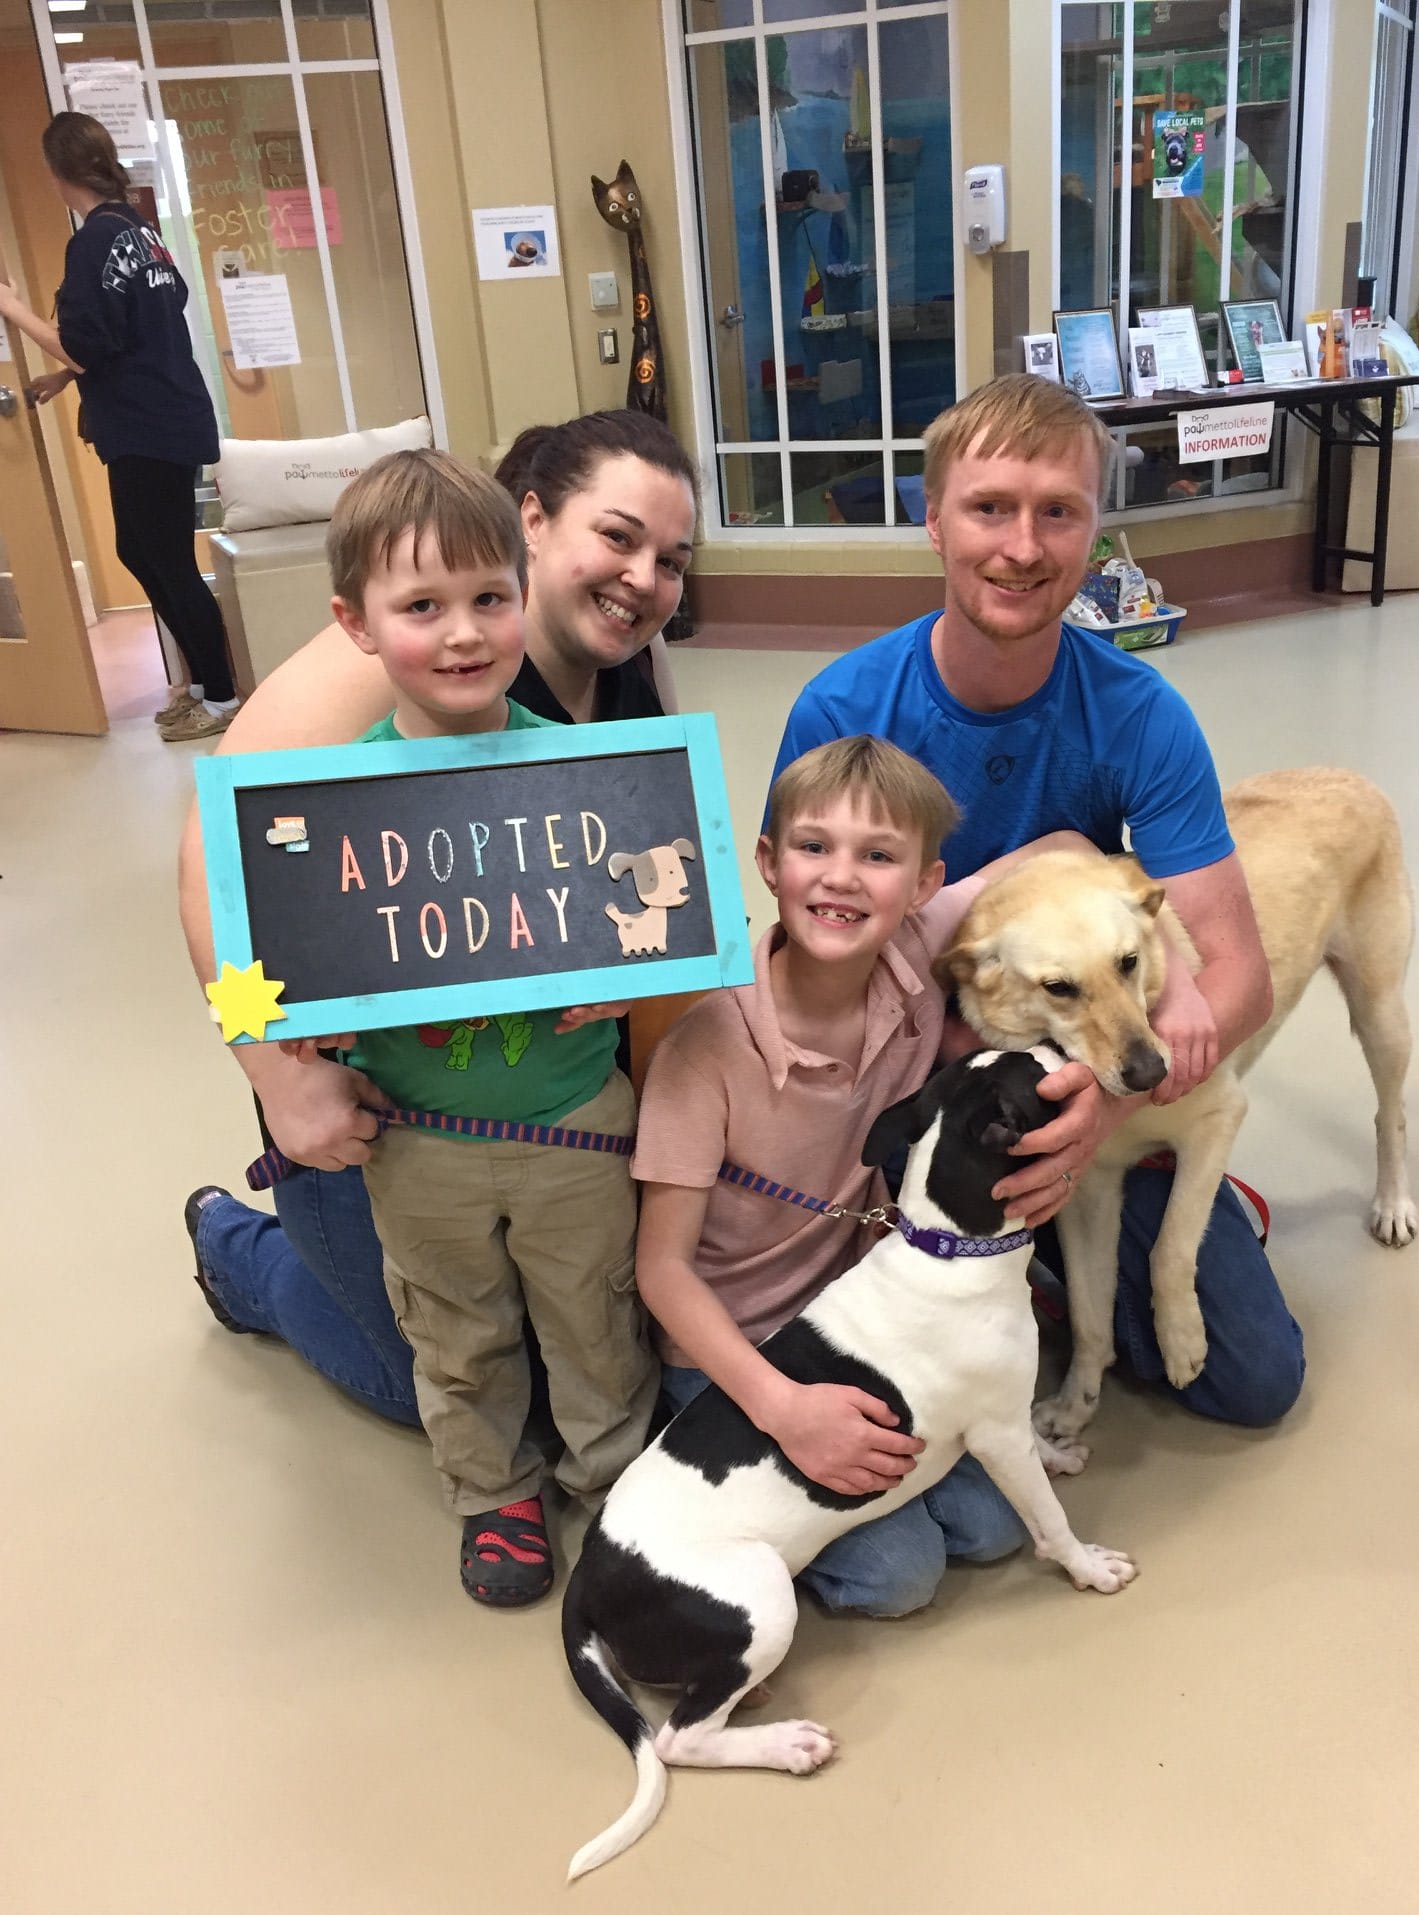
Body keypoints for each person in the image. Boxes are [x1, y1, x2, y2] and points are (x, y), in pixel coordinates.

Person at [770, 373, 1304, 1431]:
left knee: (1253, 1378)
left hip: (1082, 1076)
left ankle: (1075, 1242)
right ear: (934, 522)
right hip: (917, 1067)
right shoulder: (844, 712)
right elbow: (814, 973)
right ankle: (1040, 1255)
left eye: (1057, 511)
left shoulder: (1141, 716)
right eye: (989, 508)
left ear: (1094, 529)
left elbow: (1240, 976)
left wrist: (1101, 1113)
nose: (1022, 547)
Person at [179, 409, 698, 1428]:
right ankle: (242, 1255)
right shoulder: (401, 655)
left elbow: (657, 879)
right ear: (531, 523)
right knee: (439, 1391)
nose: (643, 579)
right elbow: (213, 868)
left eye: (672, 561)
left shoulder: (632, 675)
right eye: (618, 536)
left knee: (594, 1351)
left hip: (552, 1095)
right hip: (381, 1103)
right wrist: (275, 1076)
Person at [275, 446, 657, 1605]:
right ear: (355, 623)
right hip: (417, 1140)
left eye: (489, 598)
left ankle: (617, 1485)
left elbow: (662, 915)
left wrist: (633, 974)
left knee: (596, 1317)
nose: (461, 634)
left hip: (576, 1121)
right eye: (420, 607)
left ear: (522, 593)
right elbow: (251, 961)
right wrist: (283, 1035)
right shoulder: (322, 804)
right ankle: (494, 1492)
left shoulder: (589, 772)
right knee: (453, 1327)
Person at [634, 735, 1096, 1619]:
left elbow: (1070, 850)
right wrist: (780, 1408)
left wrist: (1173, 1001)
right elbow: (661, 1269)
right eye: (815, 847)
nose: (843, 878)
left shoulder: (916, 945)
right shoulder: (705, 1048)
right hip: (738, 1350)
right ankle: (722, 1490)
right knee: (900, 1575)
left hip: (873, 1323)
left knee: (993, 1528)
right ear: (768, 862)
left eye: (879, 857)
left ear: (924, 883)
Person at [0, 113, 237, 743]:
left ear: (57, 173)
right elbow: (134, 332)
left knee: (169, 562)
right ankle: (198, 687)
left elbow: (87, 344)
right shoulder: (140, 232)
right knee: (140, 550)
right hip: (165, 415)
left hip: (148, 426)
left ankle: (222, 698)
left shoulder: (93, 243)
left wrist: (13, 308)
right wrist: (66, 376)